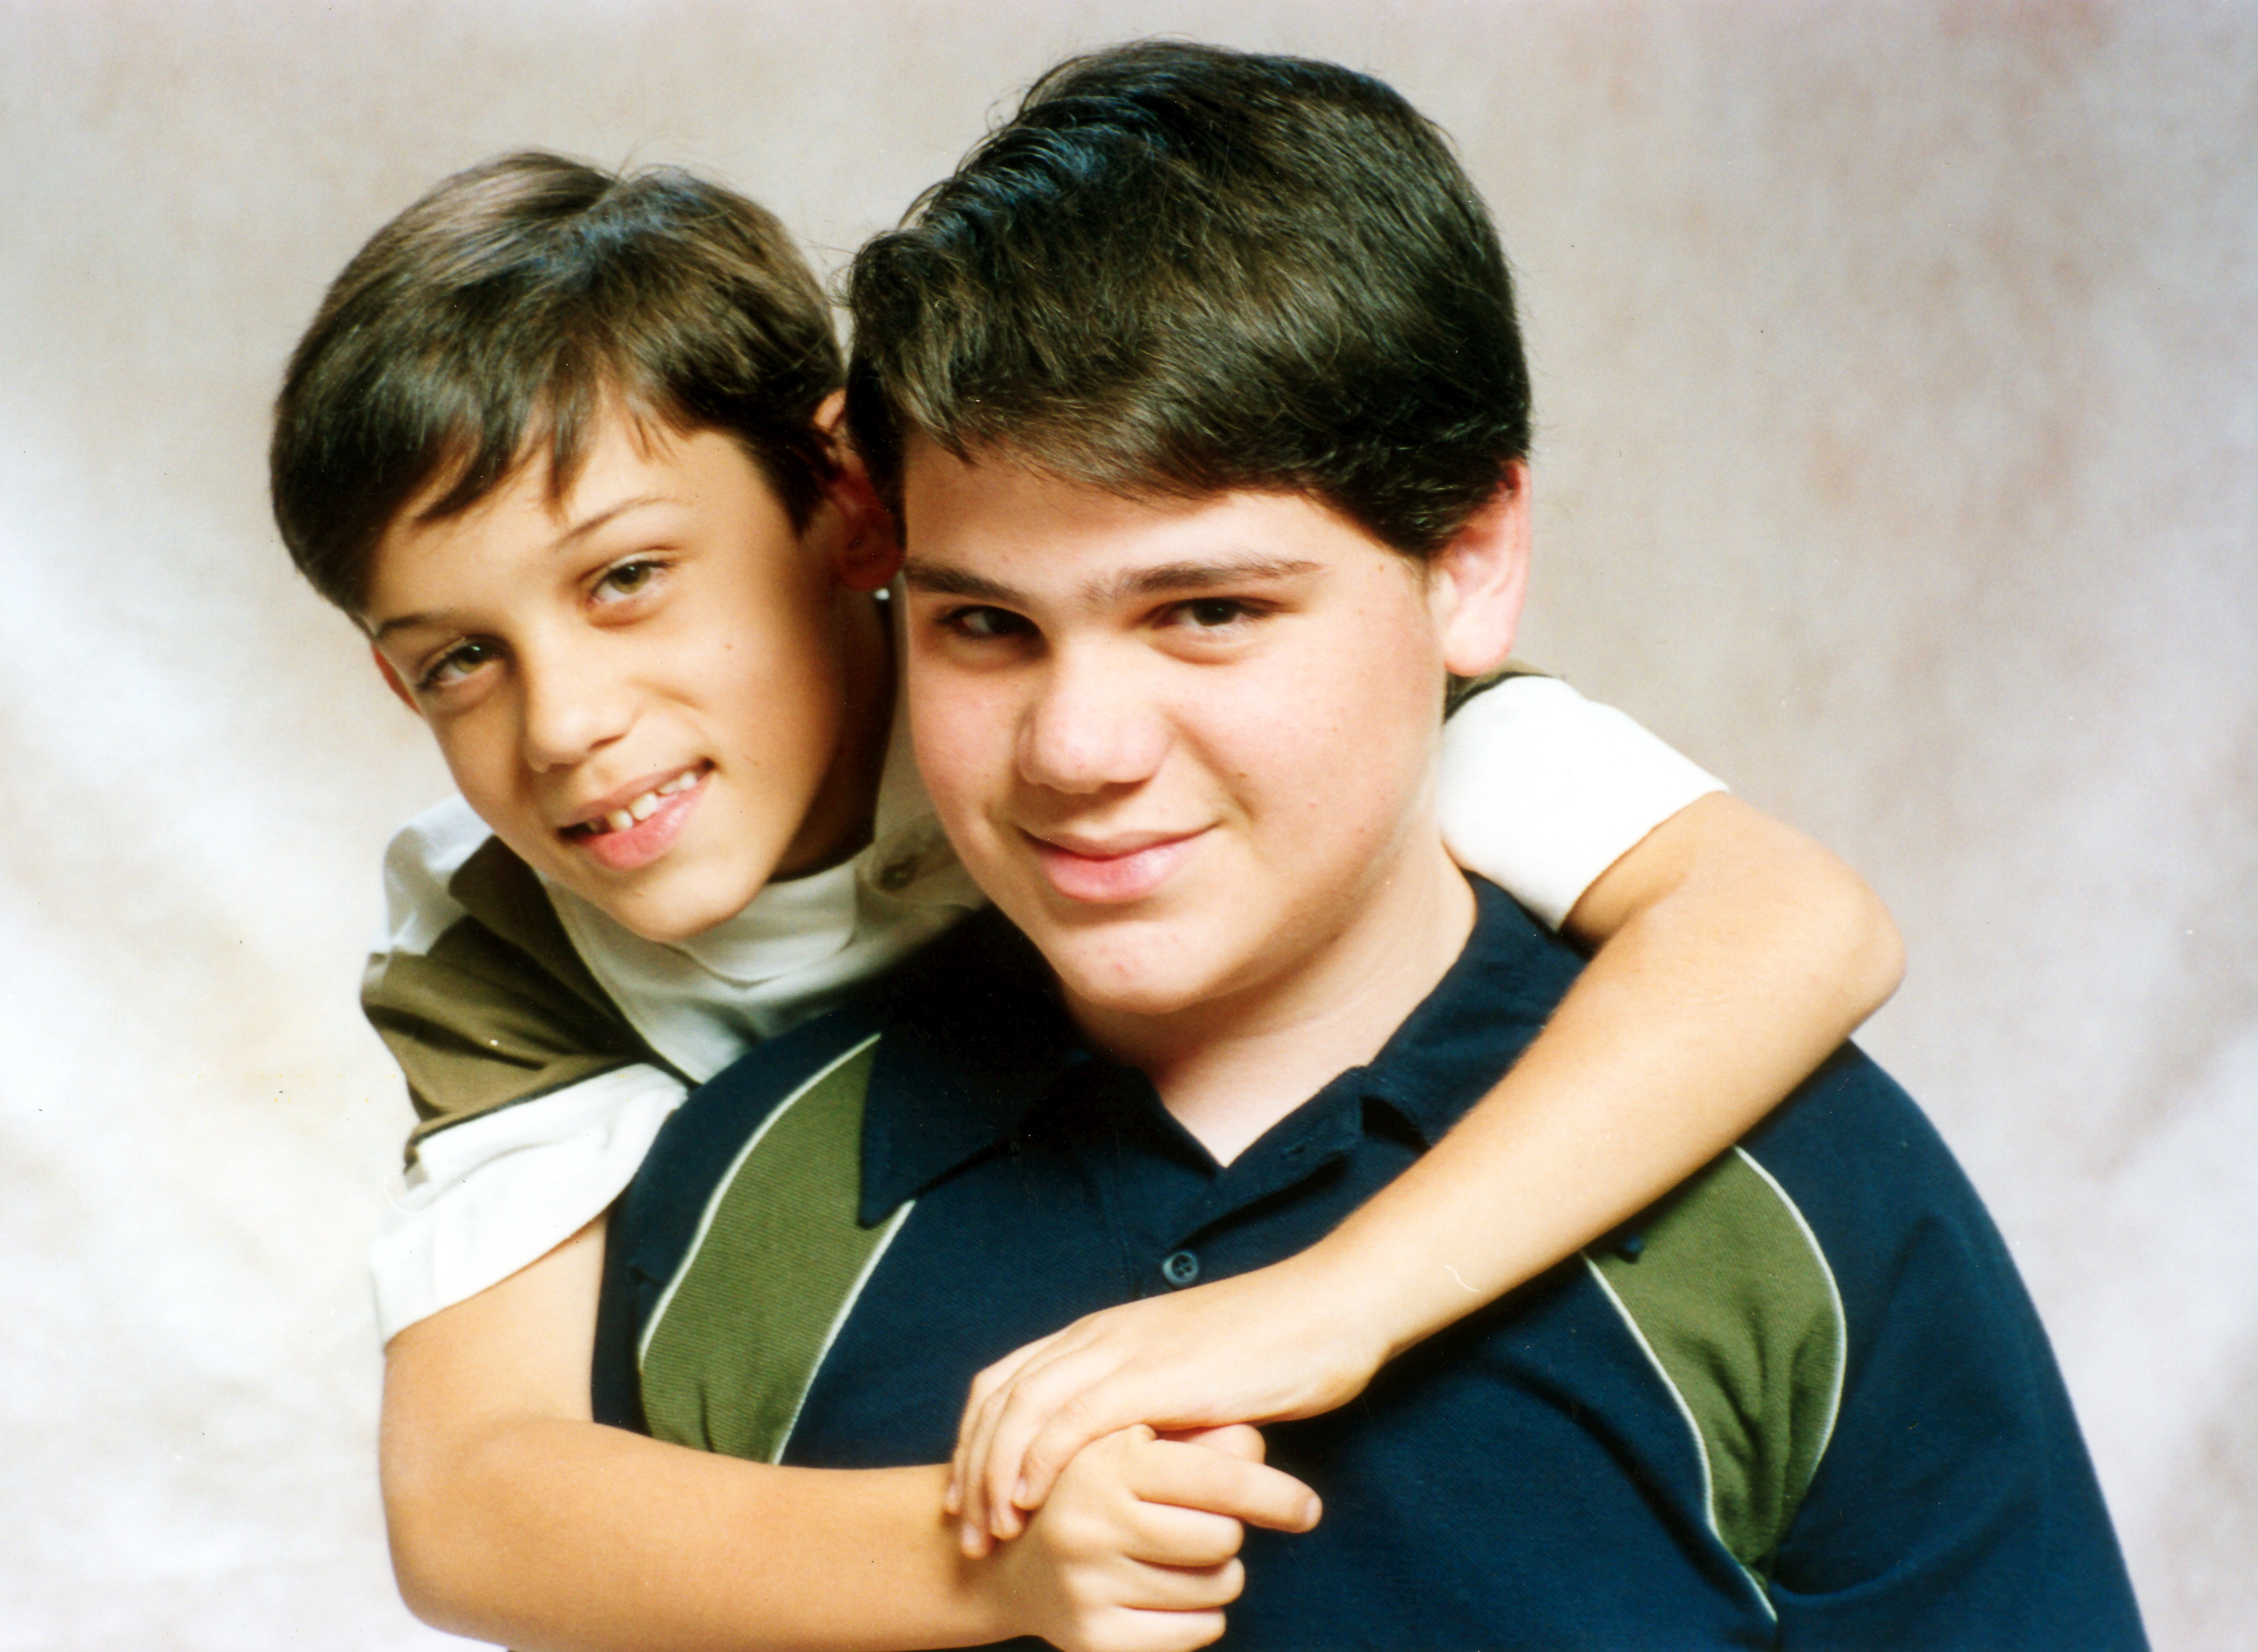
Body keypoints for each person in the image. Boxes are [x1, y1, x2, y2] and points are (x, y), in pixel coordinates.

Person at [596, 40, 2147, 1651]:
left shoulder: (1791, 1192)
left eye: (1207, 612)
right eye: (985, 624)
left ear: (1470, 559)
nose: (1078, 750)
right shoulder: (749, 1202)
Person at [268, 141, 1900, 1647]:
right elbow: (474, 1498)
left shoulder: (1173, 687)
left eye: (628, 577)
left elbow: (1787, 921)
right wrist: (994, 1551)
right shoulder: (504, 938)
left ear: (853, 508)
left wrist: (1332, 1305)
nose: (565, 724)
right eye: (459, 660)